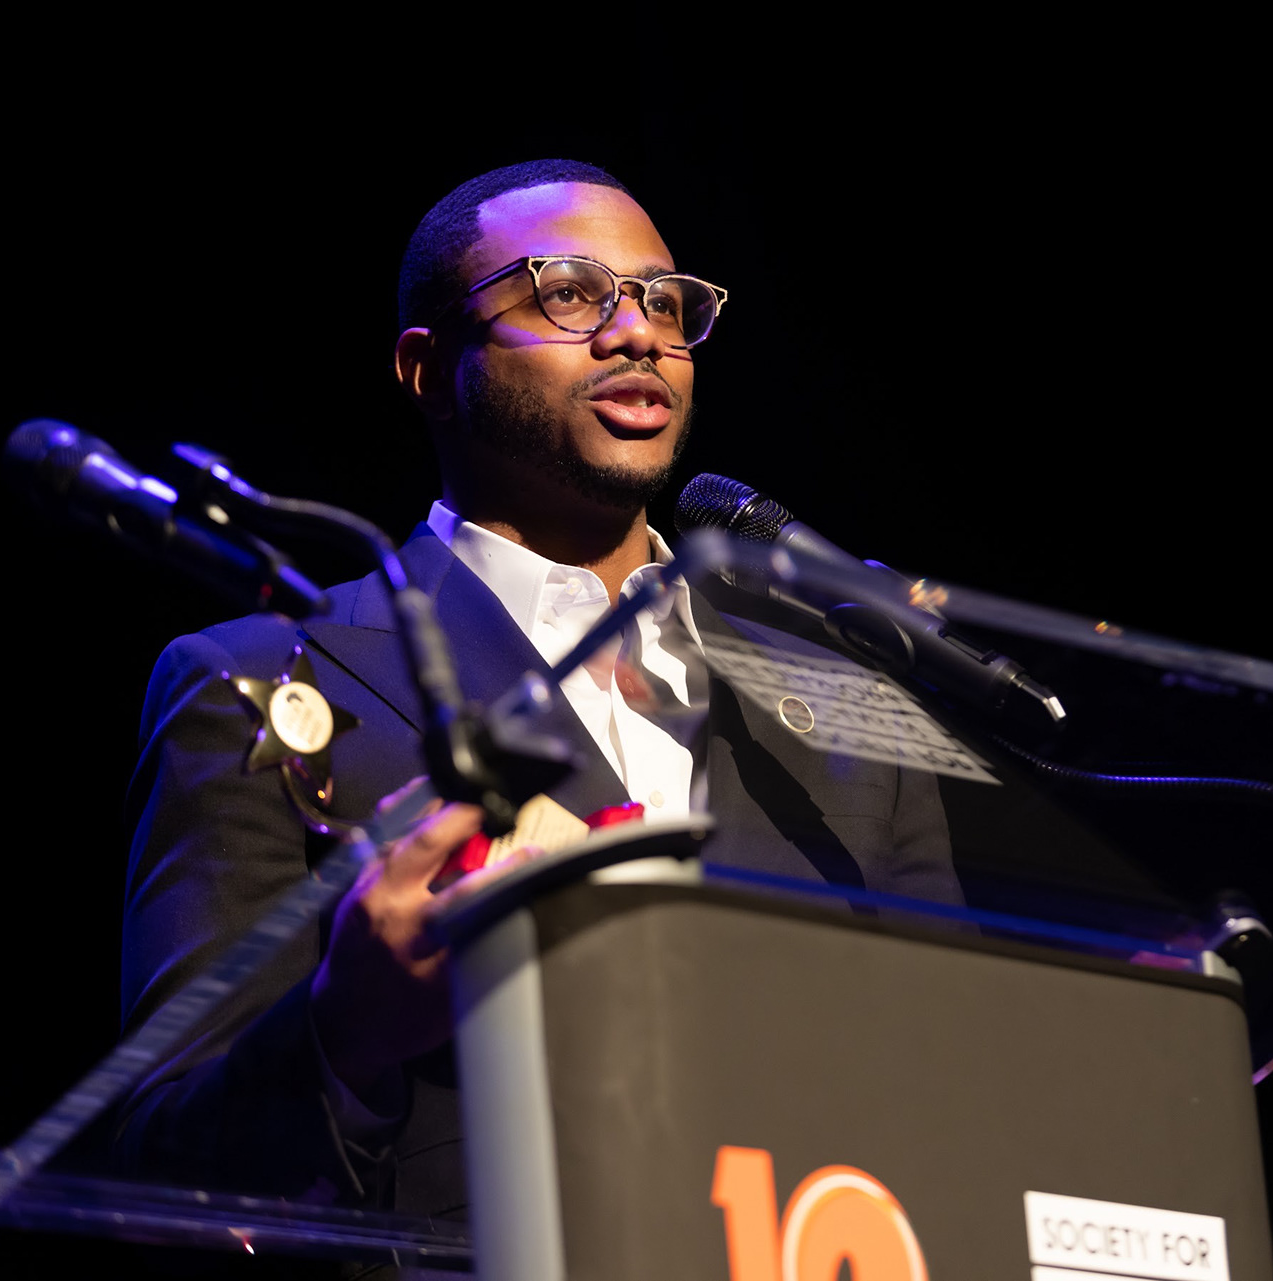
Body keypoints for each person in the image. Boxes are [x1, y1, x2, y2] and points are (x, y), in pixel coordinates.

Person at [116, 160, 960, 1218]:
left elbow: (954, 1090)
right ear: (427, 368)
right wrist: (346, 1029)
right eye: (568, 293)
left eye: (664, 301)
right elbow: (159, 1161)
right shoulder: (262, 679)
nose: (638, 332)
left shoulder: (841, 698)